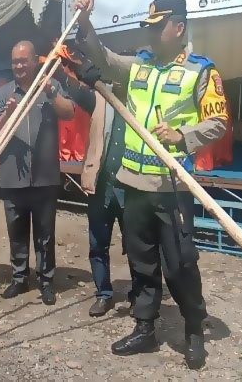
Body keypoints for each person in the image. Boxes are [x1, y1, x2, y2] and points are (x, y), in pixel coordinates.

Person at [75, 0, 228, 369]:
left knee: (180, 264)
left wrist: (183, 136)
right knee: (142, 262)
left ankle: (194, 329)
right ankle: (144, 327)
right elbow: (104, 59)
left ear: (178, 27)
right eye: (150, 27)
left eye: (159, 27)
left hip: (171, 188)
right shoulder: (138, 67)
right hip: (133, 185)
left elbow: (219, 121)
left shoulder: (201, 71)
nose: (153, 34)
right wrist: (84, 22)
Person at [0, 41, 78, 305]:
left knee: (45, 231)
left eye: (23, 60)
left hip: (44, 174)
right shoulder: (4, 92)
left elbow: (69, 113)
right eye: (15, 61)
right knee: (16, 229)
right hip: (13, 172)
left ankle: (46, 281)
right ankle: (18, 278)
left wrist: (50, 92)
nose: (18, 66)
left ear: (35, 61)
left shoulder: (50, 86)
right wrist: (8, 114)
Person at [81, 81, 138, 317]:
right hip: (102, 185)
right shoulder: (99, 98)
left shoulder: (140, 103)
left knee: (137, 246)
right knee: (97, 245)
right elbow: (75, 93)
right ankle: (103, 294)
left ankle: (139, 295)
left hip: (133, 188)